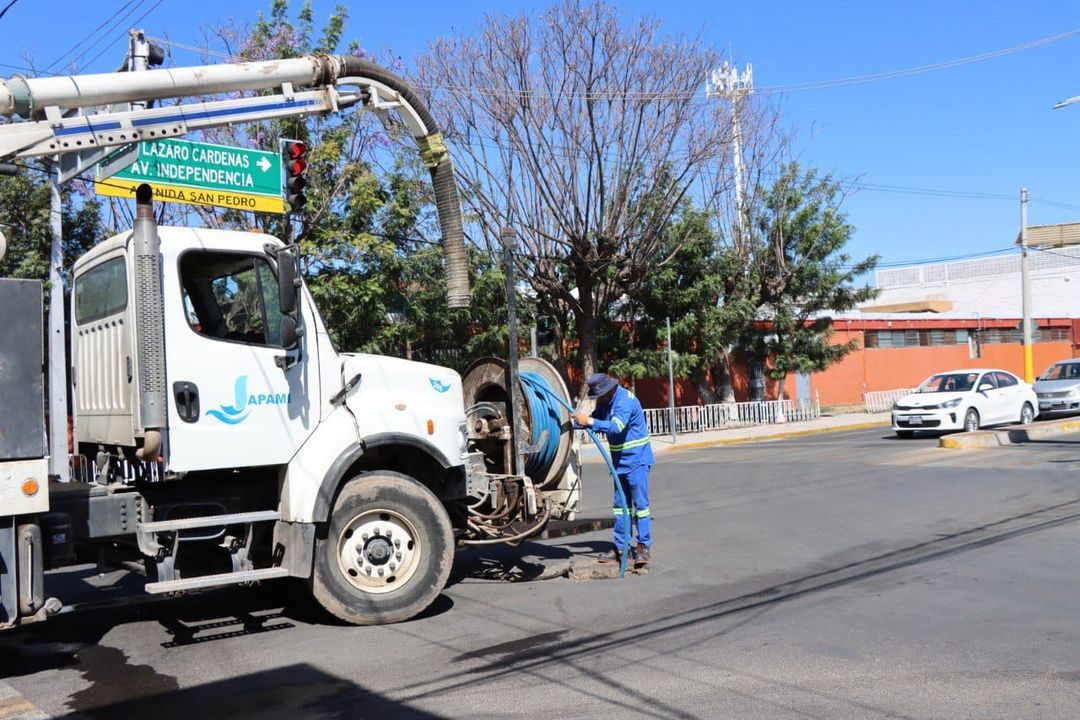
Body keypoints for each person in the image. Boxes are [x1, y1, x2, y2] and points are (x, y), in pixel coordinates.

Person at [574, 373, 654, 567]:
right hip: (619, 464)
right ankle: (621, 547)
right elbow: (594, 419)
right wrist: (578, 421)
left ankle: (643, 546)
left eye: (600, 395)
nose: (598, 400)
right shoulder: (606, 403)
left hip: (636, 461)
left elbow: (616, 428)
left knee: (640, 507)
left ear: (608, 390)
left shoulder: (625, 401)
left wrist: (590, 422)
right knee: (620, 507)